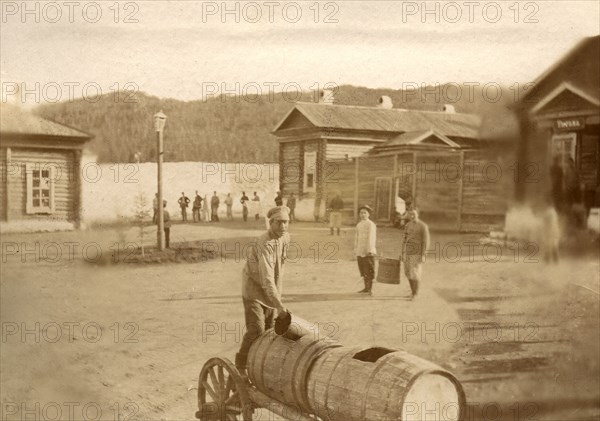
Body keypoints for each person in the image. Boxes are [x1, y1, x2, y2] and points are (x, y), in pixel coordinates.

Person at [235, 206, 290, 373]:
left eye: (286, 222)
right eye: (279, 223)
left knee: (269, 332)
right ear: (270, 223)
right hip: (254, 290)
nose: (283, 227)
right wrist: (279, 305)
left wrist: (276, 299)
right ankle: (241, 365)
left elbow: (279, 269)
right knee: (256, 329)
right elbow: (266, 278)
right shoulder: (265, 243)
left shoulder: (285, 238)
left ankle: (259, 366)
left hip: (269, 291)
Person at [402, 209, 430, 300]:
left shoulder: (423, 226)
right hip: (408, 252)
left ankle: (415, 294)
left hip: (417, 252)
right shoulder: (407, 225)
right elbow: (404, 239)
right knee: (407, 272)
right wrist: (403, 252)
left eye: (414, 214)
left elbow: (425, 241)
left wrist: (423, 255)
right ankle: (412, 292)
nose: (412, 216)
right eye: (410, 214)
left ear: (417, 214)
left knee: (414, 273)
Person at [355, 205, 376, 296]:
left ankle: (370, 289)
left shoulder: (371, 224)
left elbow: (371, 237)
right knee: (363, 270)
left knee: (369, 270)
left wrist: (370, 249)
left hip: (368, 251)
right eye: (361, 213)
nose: (363, 215)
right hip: (360, 250)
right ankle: (366, 288)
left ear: (368, 214)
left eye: (365, 213)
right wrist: (356, 248)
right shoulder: (359, 225)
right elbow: (356, 237)